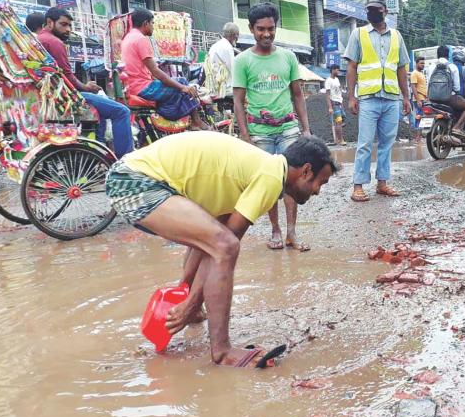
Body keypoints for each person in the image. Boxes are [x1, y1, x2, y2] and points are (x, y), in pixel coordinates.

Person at [105, 132, 336, 366]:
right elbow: (223, 247)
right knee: (225, 245)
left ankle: (195, 315)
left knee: (217, 239)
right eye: (321, 182)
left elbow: (209, 245)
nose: (318, 191)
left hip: (133, 178)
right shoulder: (271, 176)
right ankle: (222, 351)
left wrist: (186, 296)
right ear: (306, 171)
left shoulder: (254, 170)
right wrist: (191, 303)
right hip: (135, 182)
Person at [232, 2, 312, 252]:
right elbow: (237, 100)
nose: (266, 34)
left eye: (271, 28)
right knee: (268, 184)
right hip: (260, 133)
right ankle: (275, 230)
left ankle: (291, 233)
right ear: (251, 29)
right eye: (260, 29)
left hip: (288, 128)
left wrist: (306, 129)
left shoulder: (288, 57)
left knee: (291, 182)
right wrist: (245, 136)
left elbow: (297, 95)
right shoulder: (242, 61)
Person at [38, 7, 134, 158]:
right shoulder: (54, 42)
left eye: (70, 25)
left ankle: (98, 153)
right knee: (122, 111)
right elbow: (67, 75)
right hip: (65, 96)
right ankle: (126, 159)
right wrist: (86, 87)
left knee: (102, 111)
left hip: (53, 94)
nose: (68, 29)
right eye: (63, 24)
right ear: (50, 22)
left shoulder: (39, 39)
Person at [343, 0, 411, 202]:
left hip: (391, 98)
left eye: (377, 10)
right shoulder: (359, 33)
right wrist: (351, 96)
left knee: (386, 143)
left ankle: (382, 183)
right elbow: (352, 67)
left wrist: (406, 97)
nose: (373, 13)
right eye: (370, 10)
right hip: (369, 98)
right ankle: (358, 186)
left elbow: (401, 68)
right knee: (364, 143)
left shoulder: (397, 36)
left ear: (385, 12)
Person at [121, 8, 207, 129]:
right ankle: (196, 121)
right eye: (152, 23)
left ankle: (188, 120)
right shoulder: (141, 39)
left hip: (133, 86)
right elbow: (155, 71)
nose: (153, 27)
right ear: (145, 23)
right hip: (142, 87)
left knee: (178, 84)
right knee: (182, 82)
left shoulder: (128, 38)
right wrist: (183, 87)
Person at [425, 45, 465, 143]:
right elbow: (457, 88)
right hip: (448, 99)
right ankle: (457, 128)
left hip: (432, 99)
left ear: (437, 54)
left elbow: (428, 84)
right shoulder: (452, 67)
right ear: (448, 55)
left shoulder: (431, 67)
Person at [205, 22, 240, 99]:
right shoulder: (227, 47)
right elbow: (231, 70)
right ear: (233, 35)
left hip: (213, 86)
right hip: (223, 89)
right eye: (237, 37)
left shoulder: (215, 45)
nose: (236, 40)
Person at [323, 64, 346, 146]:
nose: (338, 71)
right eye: (337, 70)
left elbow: (339, 92)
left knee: (341, 121)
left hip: (339, 103)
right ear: (332, 70)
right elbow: (328, 95)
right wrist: (330, 107)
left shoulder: (337, 79)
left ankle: (337, 138)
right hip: (334, 104)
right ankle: (340, 140)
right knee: (338, 121)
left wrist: (342, 103)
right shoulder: (328, 81)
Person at [409, 57, 428, 143]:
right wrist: (418, 100)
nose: (423, 65)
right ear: (416, 63)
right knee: (418, 117)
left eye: (423, 63)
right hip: (418, 99)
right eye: (421, 63)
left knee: (422, 117)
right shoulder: (414, 73)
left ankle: (419, 137)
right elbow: (413, 87)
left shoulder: (421, 73)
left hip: (423, 98)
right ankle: (417, 137)